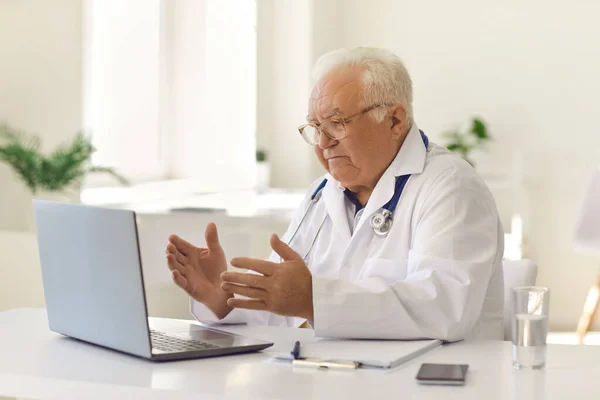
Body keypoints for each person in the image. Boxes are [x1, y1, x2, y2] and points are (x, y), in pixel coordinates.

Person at [166, 47, 504, 341]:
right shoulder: (321, 194)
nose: (324, 142)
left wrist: (314, 299)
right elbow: (283, 303)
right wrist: (222, 299)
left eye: (338, 123)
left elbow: (443, 307)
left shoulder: (451, 187)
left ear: (395, 120)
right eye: (315, 128)